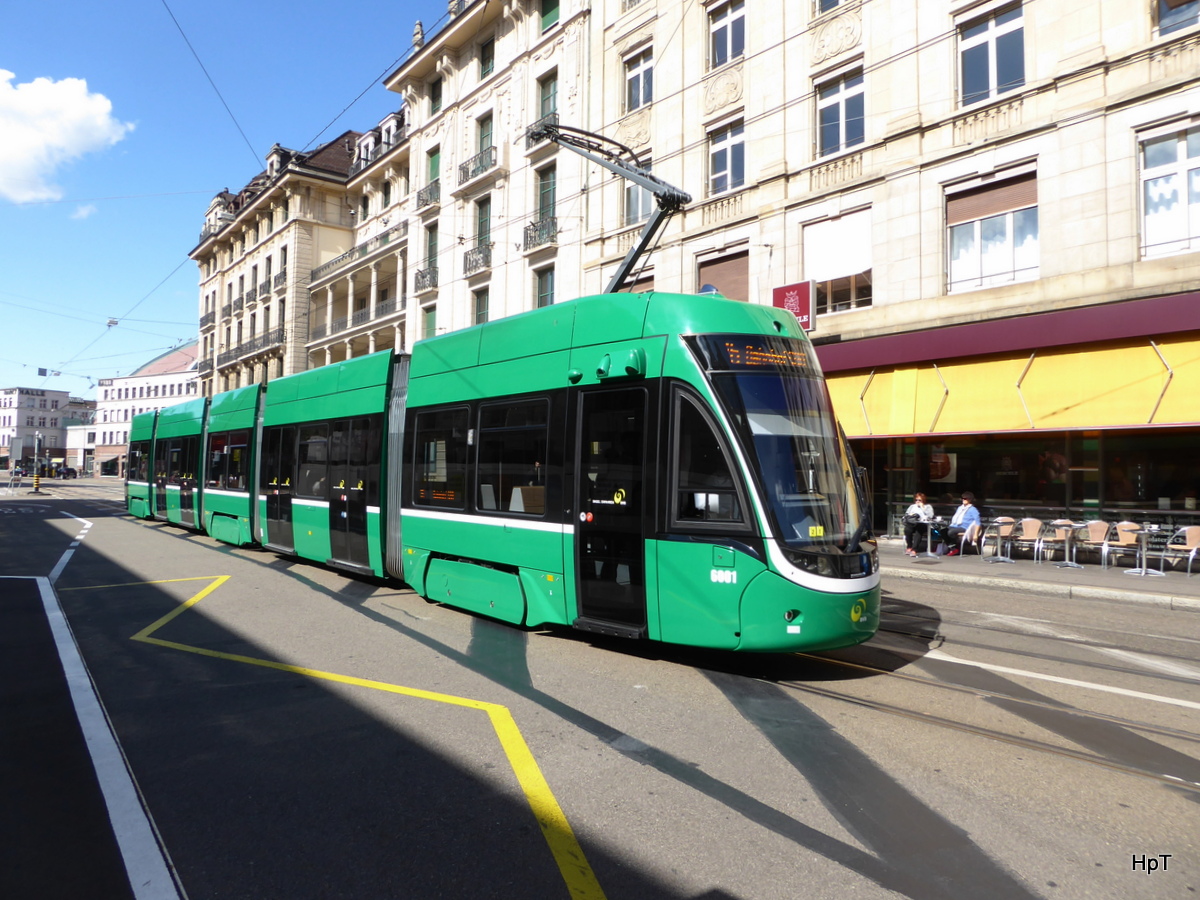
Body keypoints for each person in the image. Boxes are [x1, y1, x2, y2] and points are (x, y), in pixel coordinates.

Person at [944, 491, 981, 556]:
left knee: (950, 532)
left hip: (964, 527)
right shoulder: (960, 508)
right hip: (955, 525)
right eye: (962, 498)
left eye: (965, 498)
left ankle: (955, 547)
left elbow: (978, 522)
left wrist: (976, 534)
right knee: (943, 531)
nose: (963, 500)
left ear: (970, 499)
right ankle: (953, 548)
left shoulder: (973, 509)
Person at [902, 491, 936, 557]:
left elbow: (931, 516)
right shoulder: (912, 506)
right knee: (907, 530)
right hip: (912, 523)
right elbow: (906, 514)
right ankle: (909, 546)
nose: (917, 501)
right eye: (916, 500)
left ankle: (914, 550)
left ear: (923, 500)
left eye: (919, 500)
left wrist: (923, 508)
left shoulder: (928, 507)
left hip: (923, 524)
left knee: (919, 531)